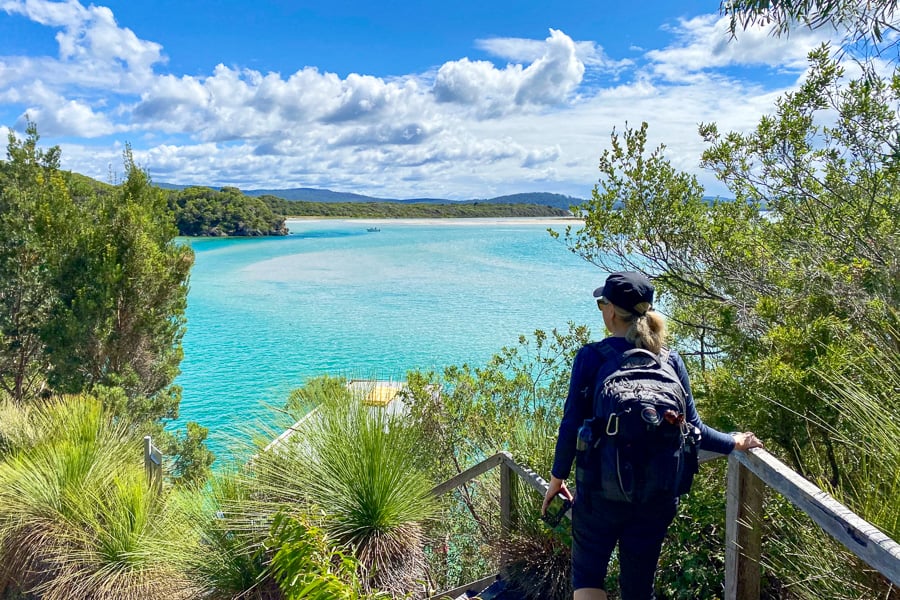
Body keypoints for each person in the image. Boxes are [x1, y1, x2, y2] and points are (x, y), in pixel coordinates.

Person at [542, 271, 763, 600]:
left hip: (599, 494)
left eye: (602, 302)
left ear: (611, 311)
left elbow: (571, 425)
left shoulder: (592, 356)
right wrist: (735, 442)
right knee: (638, 586)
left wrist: (557, 479)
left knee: (588, 578)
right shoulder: (670, 360)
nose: (602, 309)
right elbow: (696, 431)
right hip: (656, 497)